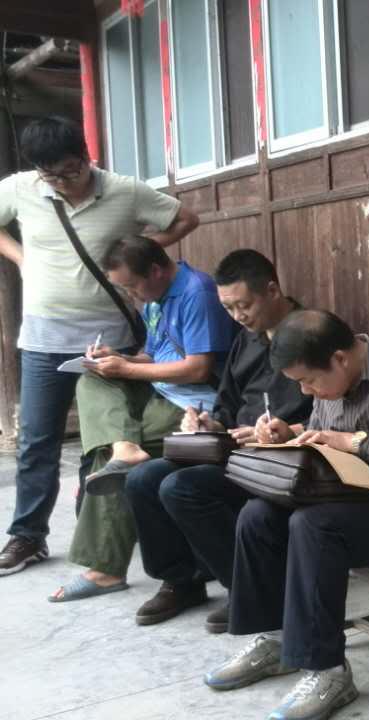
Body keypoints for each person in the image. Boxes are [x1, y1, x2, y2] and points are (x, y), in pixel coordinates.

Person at [203, 309, 369, 720]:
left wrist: (356, 442)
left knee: (313, 526)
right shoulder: (332, 385)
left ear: (340, 358)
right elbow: (323, 437)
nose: (306, 391)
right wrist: (291, 434)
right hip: (350, 496)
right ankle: (276, 640)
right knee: (258, 515)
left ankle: (328, 671)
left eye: (308, 381)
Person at [0, 116, 199, 577]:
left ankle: (102, 526)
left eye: (71, 170)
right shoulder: (21, 188)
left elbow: (186, 218)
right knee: (36, 441)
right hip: (44, 339)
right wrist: (21, 258)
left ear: (87, 155)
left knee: (107, 438)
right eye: (51, 175)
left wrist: (141, 254)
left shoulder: (124, 191)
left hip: (110, 339)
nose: (63, 182)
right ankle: (27, 535)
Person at [124, 249, 311, 630]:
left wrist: (281, 430)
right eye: (228, 308)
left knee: (182, 488)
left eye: (244, 305)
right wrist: (208, 422)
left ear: (272, 290)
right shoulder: (247, 339)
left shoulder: (311, 334)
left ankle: (251, 589)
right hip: (235, 448)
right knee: (142, 478)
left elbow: (329, 410)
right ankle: (181, 580)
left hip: (281, 456)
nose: (238, 316)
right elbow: (227, 404)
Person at [46, 235, 235, 602]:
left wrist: (127, 370)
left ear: (156, 270)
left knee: (107, 459)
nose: (132, 295)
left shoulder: (196, 293)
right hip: (160, 390)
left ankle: (106, 570)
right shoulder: (154, 299)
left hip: (194, 403)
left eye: (132, 286)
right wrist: (119, 359)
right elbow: (154, 357)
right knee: (91, 380)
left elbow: (198, 368)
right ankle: (125, 445)